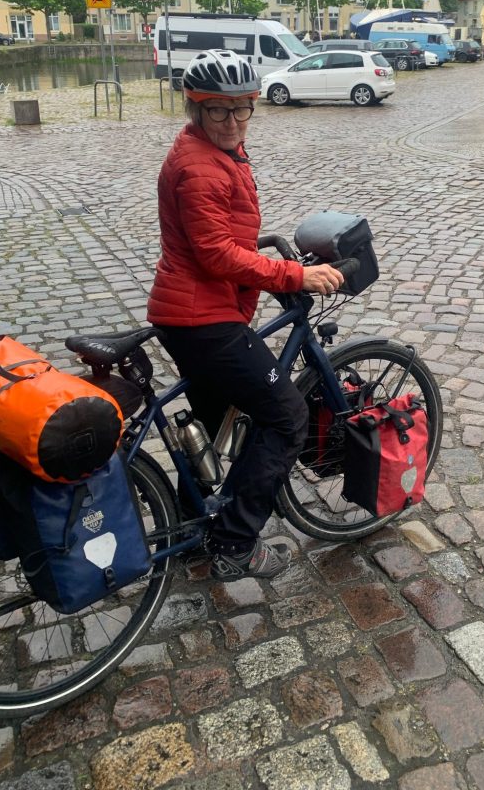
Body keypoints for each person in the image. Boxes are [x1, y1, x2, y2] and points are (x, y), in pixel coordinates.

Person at [147, 50, 344, 581]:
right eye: (218, 111)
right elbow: (215, 255)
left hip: (194, 312)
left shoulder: (216, 152)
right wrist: (293, 276)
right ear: (196, 109)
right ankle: (235, 542)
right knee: (287, 416)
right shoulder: (198, 167)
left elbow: (215, 236)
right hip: (203, 320)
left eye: (242, 109)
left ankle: (189, 532)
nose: (232, 121)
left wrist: (265, 248)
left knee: (215, 423)